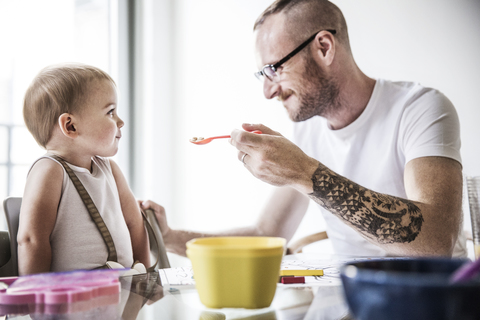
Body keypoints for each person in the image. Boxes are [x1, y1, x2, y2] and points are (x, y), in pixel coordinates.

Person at [142, 0, 466, 258]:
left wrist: (304, 172)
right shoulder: (309, 132)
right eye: (262, 75)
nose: (268, 92)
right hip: (354, 303)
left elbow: (436, 239)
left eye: (274, 69)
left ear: (324, 47)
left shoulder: (420, 108)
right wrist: (169, 237)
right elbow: (265, 235)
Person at [18, 63, 150, 275]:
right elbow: (32, 240)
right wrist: (37, 299)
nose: (121, 121)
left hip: (124, 292)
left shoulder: (111, 170)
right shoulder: (50, 171)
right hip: (72, 300)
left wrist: (148, 276)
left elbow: (135, 223)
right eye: (111, 112)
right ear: (71, 126)